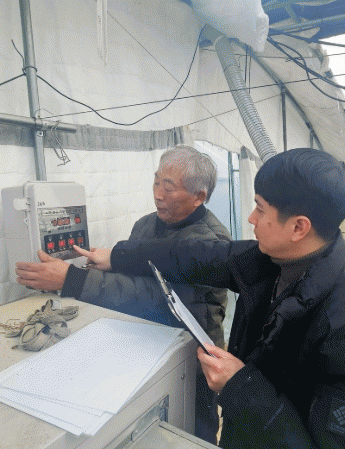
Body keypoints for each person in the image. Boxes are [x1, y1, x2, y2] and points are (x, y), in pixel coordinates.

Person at [77, 148, 345, 448]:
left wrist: (240, 386)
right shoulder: (271, 261)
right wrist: (116, 257)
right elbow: (191, 256)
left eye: (260, 209)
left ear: (298, 227)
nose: (251, 218)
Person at [15, 145, 231, 444]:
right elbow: (133, 281)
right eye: (156, 181)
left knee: (193, 429)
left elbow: (163, 299)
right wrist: (107, 267)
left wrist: (74, 280)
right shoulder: (145, 225)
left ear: (199, 197)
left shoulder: (211, 243)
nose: (158, 194)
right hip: (142, 346)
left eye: (169, 188)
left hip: (192, 358)